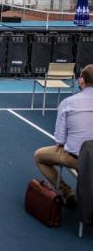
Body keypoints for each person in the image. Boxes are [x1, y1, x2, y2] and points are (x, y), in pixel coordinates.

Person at [34, 64, 93, 207]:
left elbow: (59, 140)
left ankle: (66, 192)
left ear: (81, 81)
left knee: (39, 157)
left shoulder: (68, 103)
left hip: (76, 159)